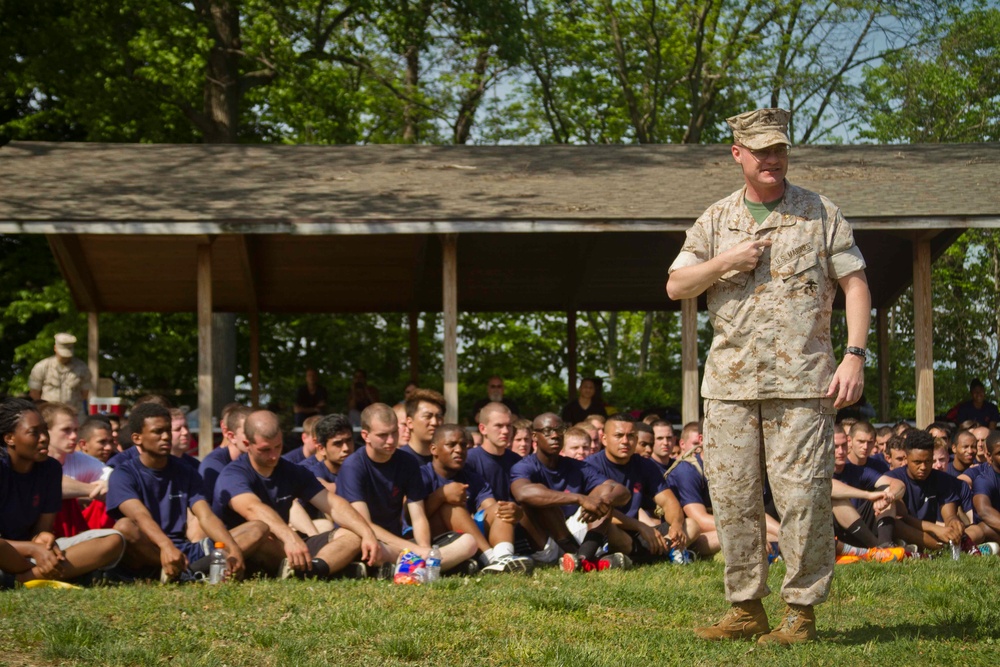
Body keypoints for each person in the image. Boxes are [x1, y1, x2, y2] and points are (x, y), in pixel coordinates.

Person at [666, 107, 871, 644]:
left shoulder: (819, 212)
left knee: (802, 498)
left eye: (779, 150)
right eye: (760, 152)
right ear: (738, 155)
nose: (772, 160)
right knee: (733, 498)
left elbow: (854, 284)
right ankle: (745, 607)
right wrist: (725, 261)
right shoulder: (715, 220)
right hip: (730, 387)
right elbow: (676, 285)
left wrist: (854, 354)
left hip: (803, 385)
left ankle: (801, 612)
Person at [108, 403, 266, 582]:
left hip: (187, 549)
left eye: (168, 430)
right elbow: (139, 516)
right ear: (137, 438)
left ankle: (187, 572)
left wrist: (233, 549)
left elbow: (205, 516)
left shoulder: (186, 471)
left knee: (258, 527)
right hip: (152, 549)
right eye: (158, 431)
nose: (166, 436)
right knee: (124, 527)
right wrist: (165, 546)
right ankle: (176, 570)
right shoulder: (122, 474)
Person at [213, 410, 380, 579]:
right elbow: (252, 508)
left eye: (278, 447)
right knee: (259, 528)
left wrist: (367, 532)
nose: (273, 456)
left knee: (352, 534)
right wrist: (290, 537)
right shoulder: (233, 475)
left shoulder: (291, 470)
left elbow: (333, 504)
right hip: (240, 547)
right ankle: (327, 568)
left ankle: (313, 571)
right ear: (246, 443)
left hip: (283, 547)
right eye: (265, 449)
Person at [336, 403, 478, 575]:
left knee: (469, 542)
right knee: (371, 548)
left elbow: (418, 516)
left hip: (399, 543)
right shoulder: (354, 466)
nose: (390, 440)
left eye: (394, 432)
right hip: (366, 537)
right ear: (365, 435)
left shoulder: (407, 462)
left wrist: (424, 548)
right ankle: (436, 566)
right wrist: (418, 552)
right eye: (382, 435)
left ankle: (409, 567)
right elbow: (365, 525)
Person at [0, 398, 124, 585]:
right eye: (34, 433)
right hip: (9, 550)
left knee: (114, 540)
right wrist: (33, 549)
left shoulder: (51, 469)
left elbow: (42, 529)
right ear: (9, 438)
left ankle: (21, 578)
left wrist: (43, 539)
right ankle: (59, 572)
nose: (43, 438)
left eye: (45, 430)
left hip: (30, 554)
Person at [510, 413, 632, 573]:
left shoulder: (578, 466)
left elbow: (623, 492)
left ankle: (582, 559)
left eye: (559, 429)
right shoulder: (524, 466)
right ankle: (591, 561)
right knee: (542, 495)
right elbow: (522, 493)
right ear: (534, 436)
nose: (554, 435)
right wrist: (580, 499)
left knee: (604, 493)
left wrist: (605, 500)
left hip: (575, 533)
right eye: (547, 431)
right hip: (546, 541)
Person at [584, 414, 698, 565]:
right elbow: (600, 512)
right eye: (618, 435)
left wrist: (676, 526)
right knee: (609, 528)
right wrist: (640, 526)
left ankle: (643, 557)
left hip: (638, 532)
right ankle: (664, 553)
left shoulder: (645, 465)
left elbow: (669, 502)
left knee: (692, 525)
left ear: (636, 439)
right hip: (612, 530)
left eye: (630, 436)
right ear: (604, 439)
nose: (625, 441)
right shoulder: (591, 466)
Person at [420, 425, 533, 574]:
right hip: (434, 540)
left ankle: (504, 556)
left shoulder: (471, 477)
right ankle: (490, 558)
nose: (459, 450)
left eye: (463, 445)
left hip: (467, 538)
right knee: (451, 508)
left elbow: (490, 507)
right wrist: (441, 495)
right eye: (451, 445)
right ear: (433, 449)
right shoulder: (422, 475)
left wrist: (512, 512)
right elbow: (410, 519)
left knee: (502, 508)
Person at [198, 405, 252, 505]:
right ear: (231, 435)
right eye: (248, 433)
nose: (253, 437)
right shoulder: (212, 465)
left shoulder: (253, 459)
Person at [27, 333, 93, 409]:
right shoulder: (42, 366)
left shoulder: (82, 367)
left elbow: (85, 393)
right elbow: (34, 393)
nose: (65, 357)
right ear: (55, 348)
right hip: (50, 412)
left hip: (75, 411)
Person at [399, 388, 445, 464]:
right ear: (409, 422)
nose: (434, 422)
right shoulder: (399, 461)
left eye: (439, 417)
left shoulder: (446, 460)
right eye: (428, 416)